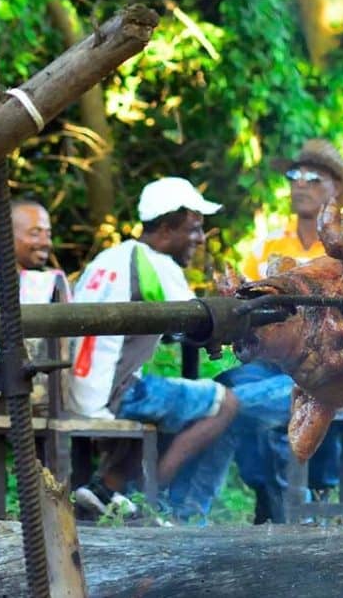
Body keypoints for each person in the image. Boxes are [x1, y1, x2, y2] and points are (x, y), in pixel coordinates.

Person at [69, 177, 291, 520]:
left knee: (171, 404)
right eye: (194, 229)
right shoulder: (156, 264)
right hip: (115, 392)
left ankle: (106, 490)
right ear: (168, 228)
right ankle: (150, 499)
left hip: (79, 389)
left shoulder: (110, 258)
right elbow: (195, 323)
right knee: (226, 404)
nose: (200, 239)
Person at [234, 138, 343, 522]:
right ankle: (274, 496)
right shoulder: (270, 246)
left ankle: (307, 500)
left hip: (332, 358)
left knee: (283, 397)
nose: (300, 184)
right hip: (274, 360)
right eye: (295, 175)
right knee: (230, 389)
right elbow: (248, 301)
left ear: (336, 189)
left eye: (313, 177)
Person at [0, 198, 71, 412]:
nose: (45, 242)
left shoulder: (51, 284)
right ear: (6, 236)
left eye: (48, 233)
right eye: (35, 233)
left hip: (43, 399)